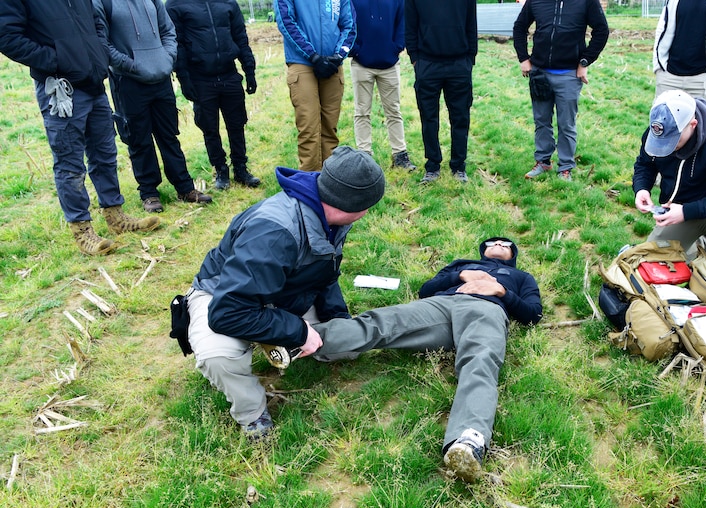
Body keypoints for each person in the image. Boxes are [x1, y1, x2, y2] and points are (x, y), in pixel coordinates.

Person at [185, 146, 385, 440]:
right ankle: (252, 414)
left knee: (346, 344)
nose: (368, 213)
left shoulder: (326, 210)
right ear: (351, 204)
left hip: (282, 292)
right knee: (220, 357)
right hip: (223, 298)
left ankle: (276, 336)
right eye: (368, 205)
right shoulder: (274, 232)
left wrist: (337, 317)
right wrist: (297, 330)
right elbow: (227, 313)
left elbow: (324, 271)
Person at [311, 237, 543, 482]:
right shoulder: (462, 264)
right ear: (483, 250)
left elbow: (533, 314)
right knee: (385, 321)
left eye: (505, 244)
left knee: (481, 360)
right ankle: (303, 338)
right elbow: (426, 290)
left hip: (487, 310)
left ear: (513, 254)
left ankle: (467, 441)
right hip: (440, 306)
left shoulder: (521, 277)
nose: (499, 244)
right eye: (493, 242)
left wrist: (502, 292)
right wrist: (460, 275)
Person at [0, 0, 160, 256]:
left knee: (105, 154)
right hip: (60, 87)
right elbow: (7, 36)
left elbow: (97, 23)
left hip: (93, 82)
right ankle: (82, 229)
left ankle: (116, 217)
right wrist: (57, 60)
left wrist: (97, 54)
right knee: (70, 163)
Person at [93, 0, 213, 213]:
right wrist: (131, 65)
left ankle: (185, 188)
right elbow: (102, 43)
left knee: (169, 136)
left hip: (161, 78)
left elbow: (168, 31)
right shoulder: (102, 2)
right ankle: (149, 193)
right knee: (139, 140)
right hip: (128, 81)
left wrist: (167, 59)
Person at [633, 89, 706, 290]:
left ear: (693, 124)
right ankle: (705, 243)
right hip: (681, 212)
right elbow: (645, 163)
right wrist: (641, 188)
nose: (668, 148)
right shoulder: (658, 129)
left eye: (674, 141)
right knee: (652, 261)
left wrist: (686, 211)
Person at [166, 0, 260, 191]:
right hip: (201, 78)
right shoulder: (175, 5)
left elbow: (240, 36)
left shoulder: (227, 3)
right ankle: (221, 169)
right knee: (209, 128)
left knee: (237, 124)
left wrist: (249, 69)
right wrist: (184, 78)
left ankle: (241, 168)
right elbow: (178, 43)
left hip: (229, 74)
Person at [513, 0, 609, 181]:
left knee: (566, 124)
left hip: (569, 74)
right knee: (541, 120)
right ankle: (543, 161)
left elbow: (602, 31)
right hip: (540, 72)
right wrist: (523, 58)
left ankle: (565, 167)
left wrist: (585, 61)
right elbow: (519, 27)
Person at [275, 0, 356, 172]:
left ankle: (329, 182)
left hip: (333, 64)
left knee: (330, 129)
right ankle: (309, 184)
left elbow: (349, 24)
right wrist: (313, 56)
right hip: (302, 62)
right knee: (309, 129)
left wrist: (338, 55)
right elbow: (286, 21)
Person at [406, 0, 477, 183]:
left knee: (460, 117)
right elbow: (410, 26)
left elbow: (471, 25)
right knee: (429, 117)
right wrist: (415, 58)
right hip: (427, 64)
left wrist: (470, 59)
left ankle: (459, 166)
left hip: (459, 64)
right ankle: (432, 165)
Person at [349, 0, 416, 172]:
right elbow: (347, 21)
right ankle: (365, 157)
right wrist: (355, 49)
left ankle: (400, 156)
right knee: (362, 112)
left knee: (394, 111)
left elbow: (402, 23)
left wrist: (396, 47)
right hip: (361, 63)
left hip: (390, 64)